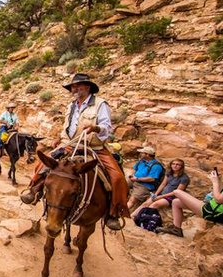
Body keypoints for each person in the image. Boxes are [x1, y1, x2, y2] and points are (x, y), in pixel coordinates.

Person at [28, 73, 129, 230]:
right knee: (42, 164)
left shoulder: (101, 104)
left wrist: (96, 128)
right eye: (72, 86)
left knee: (117, 178)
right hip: (70, 145)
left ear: (87, 87)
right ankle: (34, 190)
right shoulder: (71, 106)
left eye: (77, 86)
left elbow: (107, 128)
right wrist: (60, 139)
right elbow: (68, 127)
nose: (74, 89)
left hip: (94, 147)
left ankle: (113, 213)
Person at [156, 159, 223, 237]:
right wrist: (218, 181)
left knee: (177, 192)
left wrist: (214, 182)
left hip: (212, 212)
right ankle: (176, 229)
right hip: (217, 210)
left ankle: (175, 227)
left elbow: (219, 199)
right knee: (176, 202)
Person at [127, 146, 165, 211]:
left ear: (147, 154)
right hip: (134, 180)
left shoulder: (156, 166)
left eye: (142, 153)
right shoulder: (141, 161)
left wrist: (137, 179)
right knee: (120, 185)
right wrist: (132, 175)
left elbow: (151, 179)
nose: (140, 154)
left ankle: (122, 214)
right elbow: (134, 169)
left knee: (132, 199)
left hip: (145, 185)